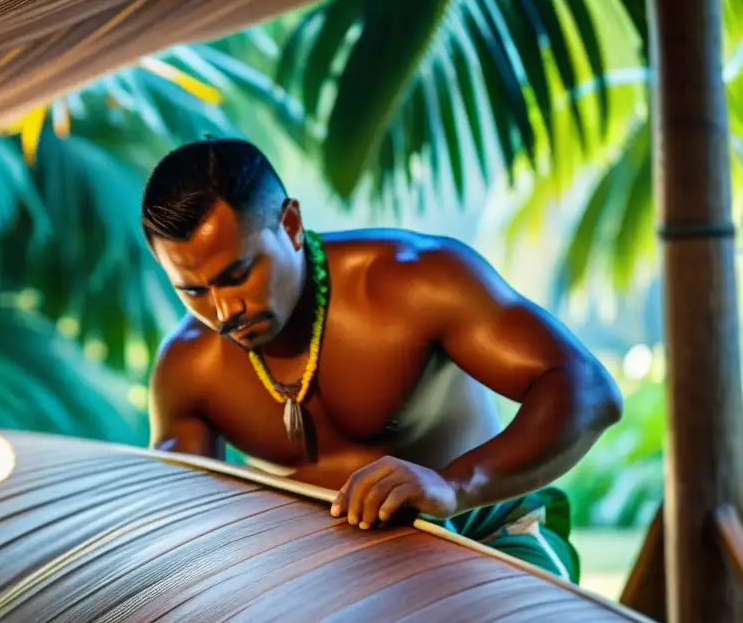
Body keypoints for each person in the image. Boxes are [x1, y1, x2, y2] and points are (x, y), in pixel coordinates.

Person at [141, 138, 623, 582]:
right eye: (193, 291)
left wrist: (453, 487)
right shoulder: (190, 367)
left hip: (486, 534)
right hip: (323, 579)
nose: (224, 312)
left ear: (289, 225)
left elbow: (587, 390)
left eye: (237, 275)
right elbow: (184, 527)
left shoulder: (412, 283)